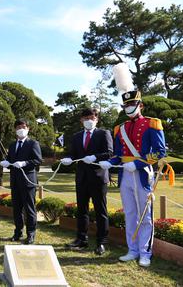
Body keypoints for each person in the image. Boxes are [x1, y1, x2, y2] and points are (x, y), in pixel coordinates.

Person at [99, 63, 166, 267]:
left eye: (132, 104)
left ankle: (145, 252)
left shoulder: (152, 124)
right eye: (126, 105)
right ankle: (132, 249)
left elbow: (160, 152)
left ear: (140, 105)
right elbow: (119, 155)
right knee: (130, 213)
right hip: (125, 175)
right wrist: (109, 163)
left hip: (143, 172)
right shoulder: (120, 128)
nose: (129, 108)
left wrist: (137, 164)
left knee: (145, 214)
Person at [60, 108, 113, 255]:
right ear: (81, 120)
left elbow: (109, 152)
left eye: (92, 117)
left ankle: (102, 242)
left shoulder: (103, 133)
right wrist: (68, 159)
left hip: (98, 177)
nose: (89, 120)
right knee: (82, 210)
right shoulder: (77, 136)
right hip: (82, 177)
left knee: (100, 210)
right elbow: (73, 154)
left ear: (96, 119)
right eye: (86, 118)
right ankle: (81, 239)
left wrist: (95, 157)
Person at [0, 119, 42, 244]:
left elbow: (38, 160)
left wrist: (24, 163)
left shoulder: (33, 143)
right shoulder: (13, 145)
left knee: (29, 209)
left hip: (28, 181)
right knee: (17, 209)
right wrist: (6, 163)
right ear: (15, 130)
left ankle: (31, 234)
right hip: (15, 181)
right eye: (18, 127)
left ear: (28, 128)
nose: (21, 129)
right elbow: (11, 161)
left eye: (23, 127)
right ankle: (18, 232)